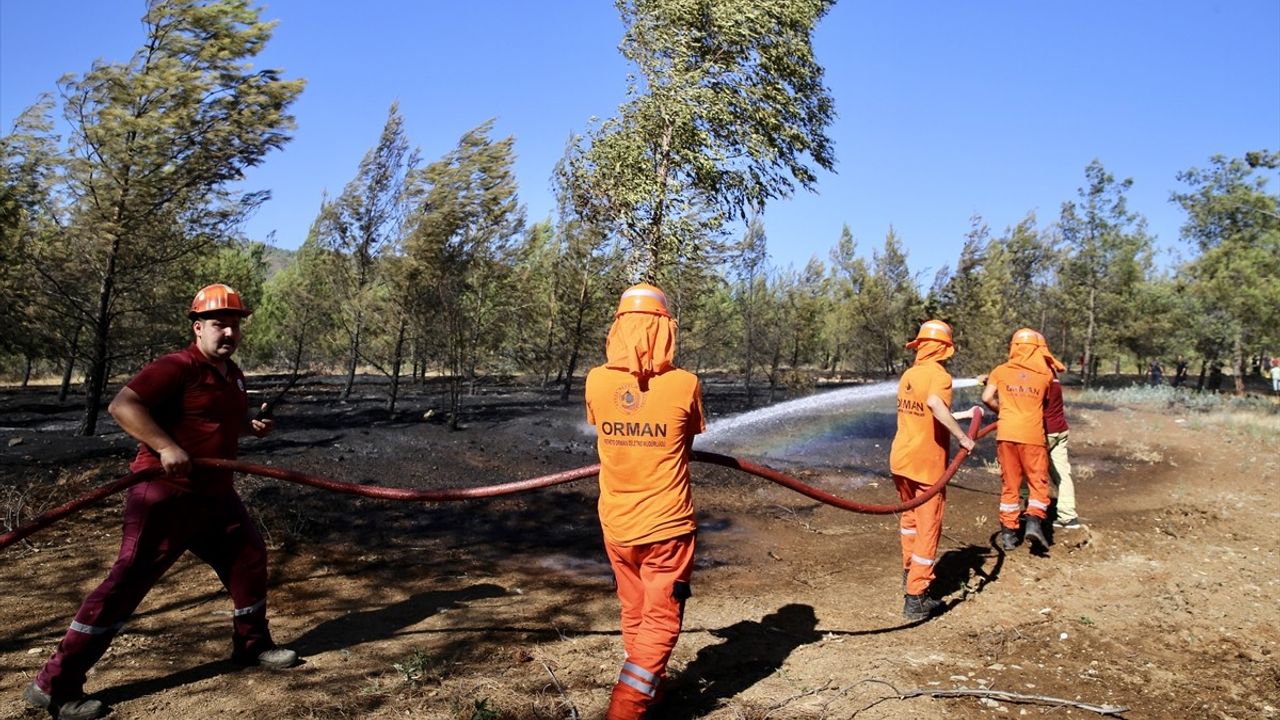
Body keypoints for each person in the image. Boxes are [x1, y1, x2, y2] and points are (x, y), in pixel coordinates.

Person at [24, 284, 297, 720]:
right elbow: (122, 406)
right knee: (125, 585)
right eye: (219, 324)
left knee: (248, 558)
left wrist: (251, 427)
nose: (228, 332)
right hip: (165, 498)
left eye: (235, 325)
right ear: (198, 327)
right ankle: (53, 684)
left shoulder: (235, 375)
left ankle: (251, 645)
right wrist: (164, 447)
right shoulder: (176, 367)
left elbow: (218, 425)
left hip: (216, 496)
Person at [585, 283, 705, 719]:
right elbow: (685, 442)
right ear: (665, 329)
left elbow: (604, 425)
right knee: (659, 621)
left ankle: (649, 693)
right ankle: (627, 708)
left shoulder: (597, 381)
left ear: (617, 328)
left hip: (617, 526)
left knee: (635, 613)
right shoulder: (685, 384)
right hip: (667, 529)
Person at [889, 320, 975, 621]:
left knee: (909, 522)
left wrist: (961, 415)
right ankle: (916, 597)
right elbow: (936, 404)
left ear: (921, 345)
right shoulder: (940, 375)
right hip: (926, 465)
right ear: (944, 347)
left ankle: (908, 572)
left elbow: (928, 411)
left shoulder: (910, 374)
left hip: (901, 460)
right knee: (928, 528)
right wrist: (963, 437)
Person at [982, 328, 1055, 552]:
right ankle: (1033, 521)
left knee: (1010, 484)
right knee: (1037, 481)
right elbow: (1046, 405)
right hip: (1032, 435)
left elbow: (986, 397)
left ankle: (1008, 534)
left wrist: (1001, 409)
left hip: (1006, 433)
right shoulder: (1045, 375)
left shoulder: (1000, 371)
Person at [1042, 344, 1082, 530]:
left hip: (1045, 432)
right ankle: (1068, 516)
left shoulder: (1040, 377)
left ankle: (1031, 513)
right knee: (1061, 472)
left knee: (1027, 472)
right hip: (1060, 430)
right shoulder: (1053, 376)